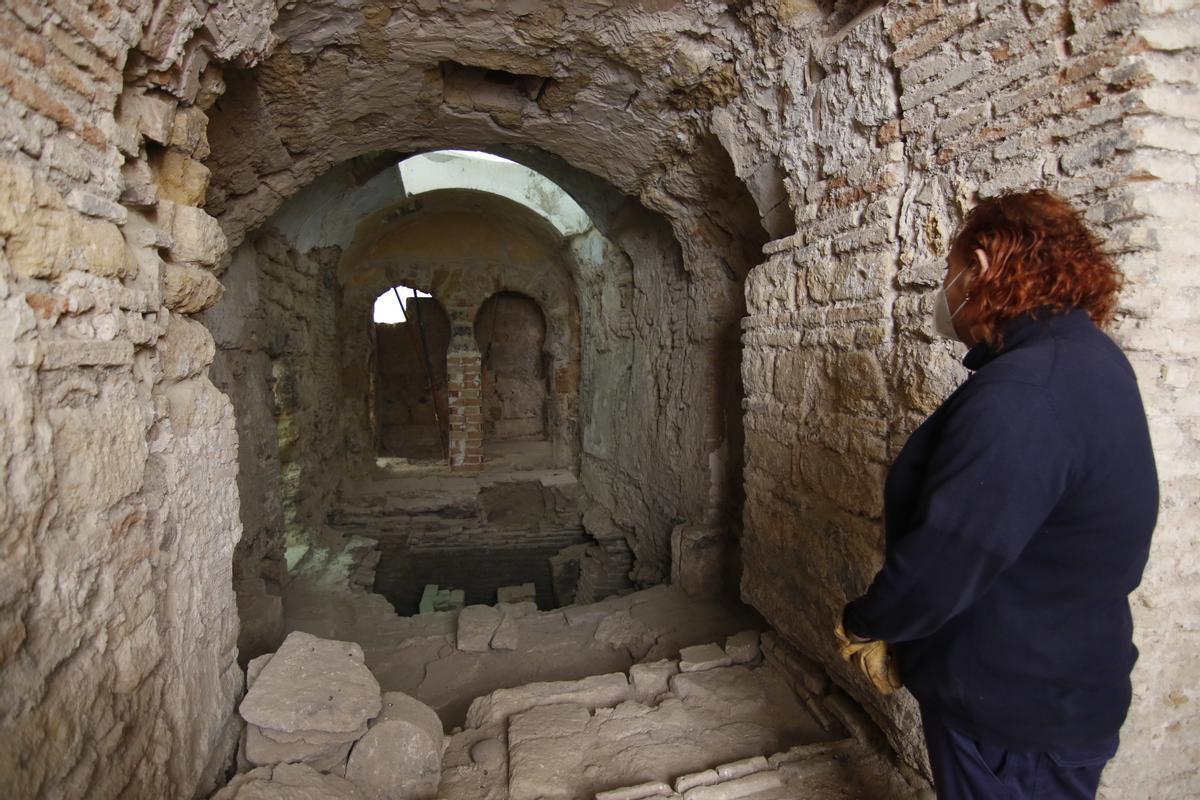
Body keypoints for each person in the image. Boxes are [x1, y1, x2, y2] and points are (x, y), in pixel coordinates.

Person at [839, 190, 1159, 799]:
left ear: (981, 268)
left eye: (951, 272)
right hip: (1055, 684)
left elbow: (947, 556)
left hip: (1013, 714)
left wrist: (865, 623)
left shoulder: (1026, 393)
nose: (947, 291)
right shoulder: (1086, 360)